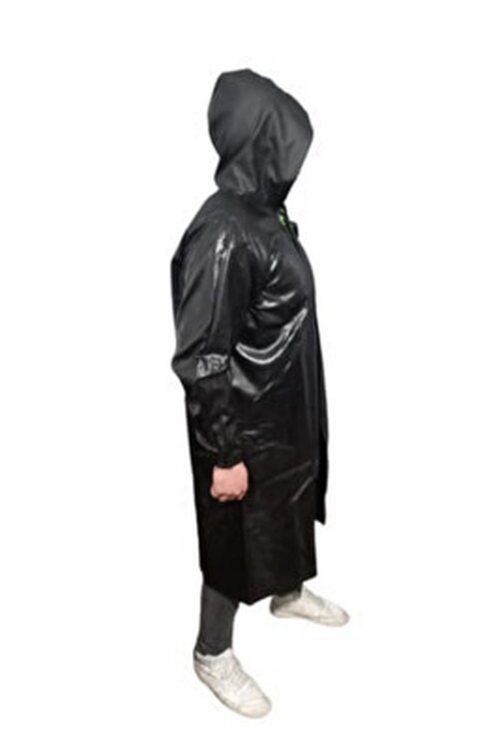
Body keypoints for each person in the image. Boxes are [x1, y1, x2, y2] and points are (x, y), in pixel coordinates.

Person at [169, 67, 349, 719]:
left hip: (283, 406)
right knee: (232, 537)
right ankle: (212, 652)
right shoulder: (223, 232)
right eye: (281, 142)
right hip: (242, 420)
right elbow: (203, 355)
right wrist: (224, 452)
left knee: (289, 500)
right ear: (259, 142)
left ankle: (288, 591)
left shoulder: (264, 215)